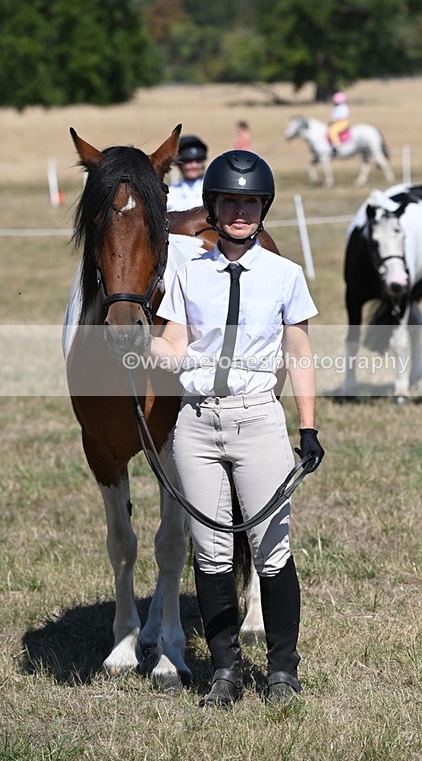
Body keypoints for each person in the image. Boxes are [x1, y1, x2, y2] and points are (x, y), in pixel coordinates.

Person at [148, 150, 325, 707]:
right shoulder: (187, 273)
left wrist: (309, 426)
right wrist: (139, 345)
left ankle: (281, 670)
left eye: (250, 202)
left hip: (258, 419)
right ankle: (224, 670)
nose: (240, 211)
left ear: (263, 207)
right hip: (197, 424)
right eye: (230, 201)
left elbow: (298, 351)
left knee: (271, 548)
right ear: (214, 208)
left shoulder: (284, 274)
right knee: (211, 551)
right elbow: (176, 343)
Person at [166, 134, 208, 212]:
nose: (194, 166)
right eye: (188, 161)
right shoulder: (170, 194)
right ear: (180, 165)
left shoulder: (210, 190)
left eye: (198, 161)